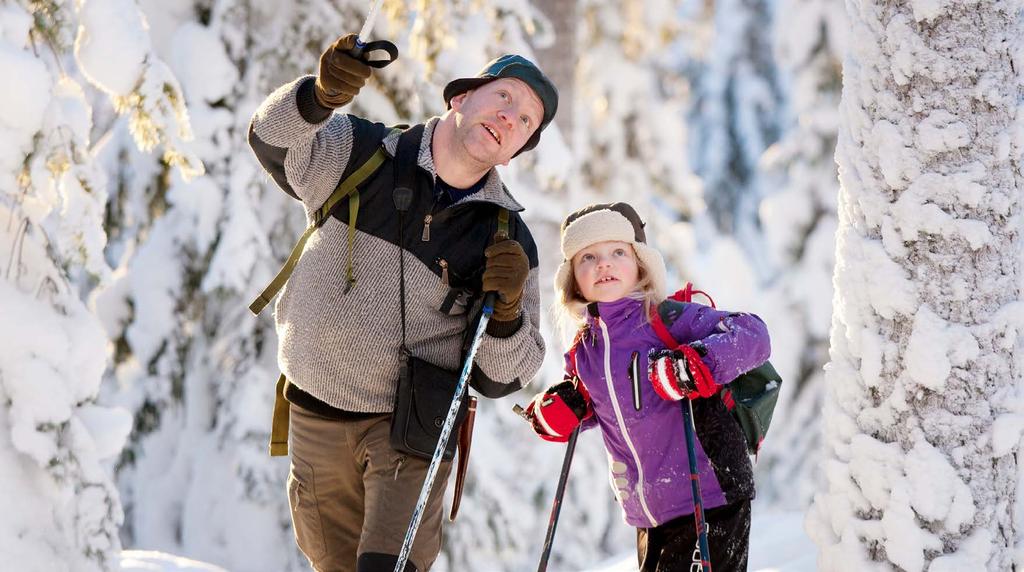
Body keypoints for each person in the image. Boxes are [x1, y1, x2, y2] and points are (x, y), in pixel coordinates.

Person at [248, 33, 557, 572]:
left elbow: (509, 373)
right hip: (315, 408)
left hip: (410, 427)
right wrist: (318, 97)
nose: (512, 118)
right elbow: (270, 139)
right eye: (505, 97)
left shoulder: (505, 237)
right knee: (332, 564)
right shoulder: (360, 153)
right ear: (461, 99)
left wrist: (506, 312)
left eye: (526, 121)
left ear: (515, 151)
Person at [524, 203, 770, 571]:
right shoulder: (584, 350)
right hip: (648, 515)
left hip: (710, 497)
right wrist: (557, 413)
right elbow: (588, 406)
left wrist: (695, 364)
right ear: (573, 277)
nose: (603, 264)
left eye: (617, 252)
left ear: (640, 265)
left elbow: (754, 335)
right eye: (588, 256)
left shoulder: (668, 320)